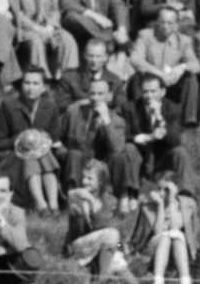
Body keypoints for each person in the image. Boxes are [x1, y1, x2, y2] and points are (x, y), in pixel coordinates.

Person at [57, 75, 141, 210]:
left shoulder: (117, 119)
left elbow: (116, 148)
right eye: (92, 93)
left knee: (121, 156)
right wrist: (62, 150)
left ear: (109, 96)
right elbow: (57, 135)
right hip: (79, 157)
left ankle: (122, 200)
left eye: (100, 94)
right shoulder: (74, 111)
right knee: (74, 154)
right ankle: (71, 199)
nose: (95, 98)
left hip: (103, 162)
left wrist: (106, 120)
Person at [0, 67, 64, 212]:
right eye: (27, 83)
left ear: (44, 87)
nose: (30, 88)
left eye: (36, 83)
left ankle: (53, 206)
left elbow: (54, 135)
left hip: (44, 155)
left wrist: (38, 140)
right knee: (31, 155)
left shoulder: (51, 106)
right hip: (12, 157)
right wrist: (20, 140)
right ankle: (41, 204)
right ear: (21, 85)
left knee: (40, 154)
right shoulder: (8, 106)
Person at [129, 6, 200, 127]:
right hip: (150, 82)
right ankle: (140, 118)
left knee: (191, 79)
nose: (165, 26)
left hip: (171, 84)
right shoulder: (145, 35)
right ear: (157, 22)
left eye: (170, 23)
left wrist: (182, 67)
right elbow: (135, 59)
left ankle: (188, 120)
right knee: (137, 78)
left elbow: (196, 65)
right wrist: (158, 74)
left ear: (176, 24)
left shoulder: (184, 41)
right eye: (162, 22)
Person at [129, 173, 196, 284]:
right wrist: (160, 206)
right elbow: (158, 232)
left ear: (177, 189)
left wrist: (170, 202)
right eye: (159, 189)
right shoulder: (149, 207)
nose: (162, 193)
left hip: (178, 247)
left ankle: (185, 282)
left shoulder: (186, 205)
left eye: (166, 189)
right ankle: (158, 282)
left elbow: (179, 228)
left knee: (175, 235)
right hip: (153, 249)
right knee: (166, 237)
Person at [128, 73, 192, 191]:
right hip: (139, 158)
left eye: (153, 91)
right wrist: (146, 137)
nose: (149, 96)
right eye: (145, 92)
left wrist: (159, 116)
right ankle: (132, 190)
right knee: (129, 149)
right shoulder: (131, 108)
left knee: (181, 152)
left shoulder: (173, 109)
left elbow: (175, 140)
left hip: (162, 160)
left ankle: (186, 195)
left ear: (162, 92)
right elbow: (125, 136)